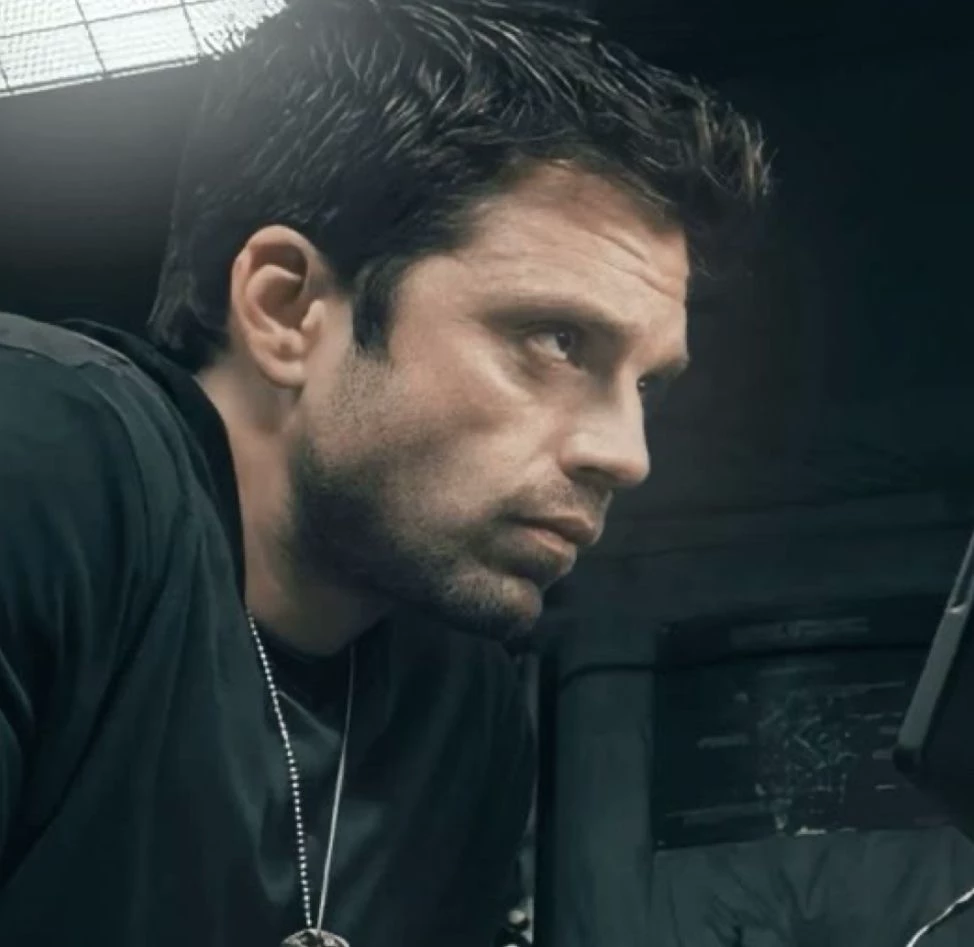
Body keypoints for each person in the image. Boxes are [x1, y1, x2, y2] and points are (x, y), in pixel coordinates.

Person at [0, 0, 769, 944]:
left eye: (645, 385)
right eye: (558, 339)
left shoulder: (461, 701)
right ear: (288, 309)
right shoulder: (44, 463)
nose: (627, 453)